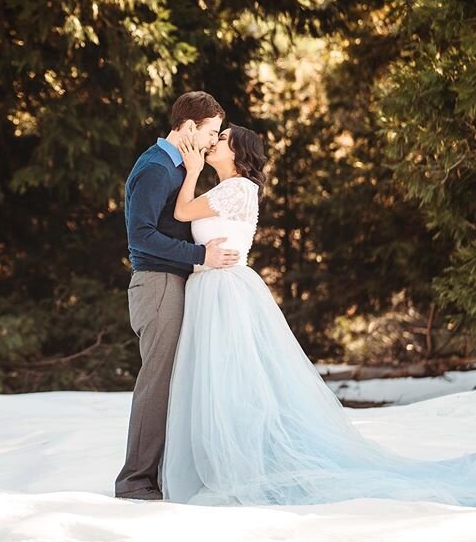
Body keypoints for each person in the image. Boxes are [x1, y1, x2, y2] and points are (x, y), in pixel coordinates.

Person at [161, 124, 476, 507]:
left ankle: (244, 461)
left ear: (239, 153)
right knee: (217, 378)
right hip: (210, 288)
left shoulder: (239, 188)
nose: (214, 143)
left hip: (226, 291)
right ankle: (221, 457)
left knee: (234, 377)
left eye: (223, 139)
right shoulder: (222, 190)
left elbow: (182, 211)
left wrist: (191, 169)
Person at [115, 91, 241, 501]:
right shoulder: (155, 168)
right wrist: (201, 255)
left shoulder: (177, 167)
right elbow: (142, 237)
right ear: (188, 127)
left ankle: (160, 476)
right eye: (211, 132)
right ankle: (134, 482)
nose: (212, 141)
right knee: (157, 382)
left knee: (173, 381)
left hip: (173, 282)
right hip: (157, 284)